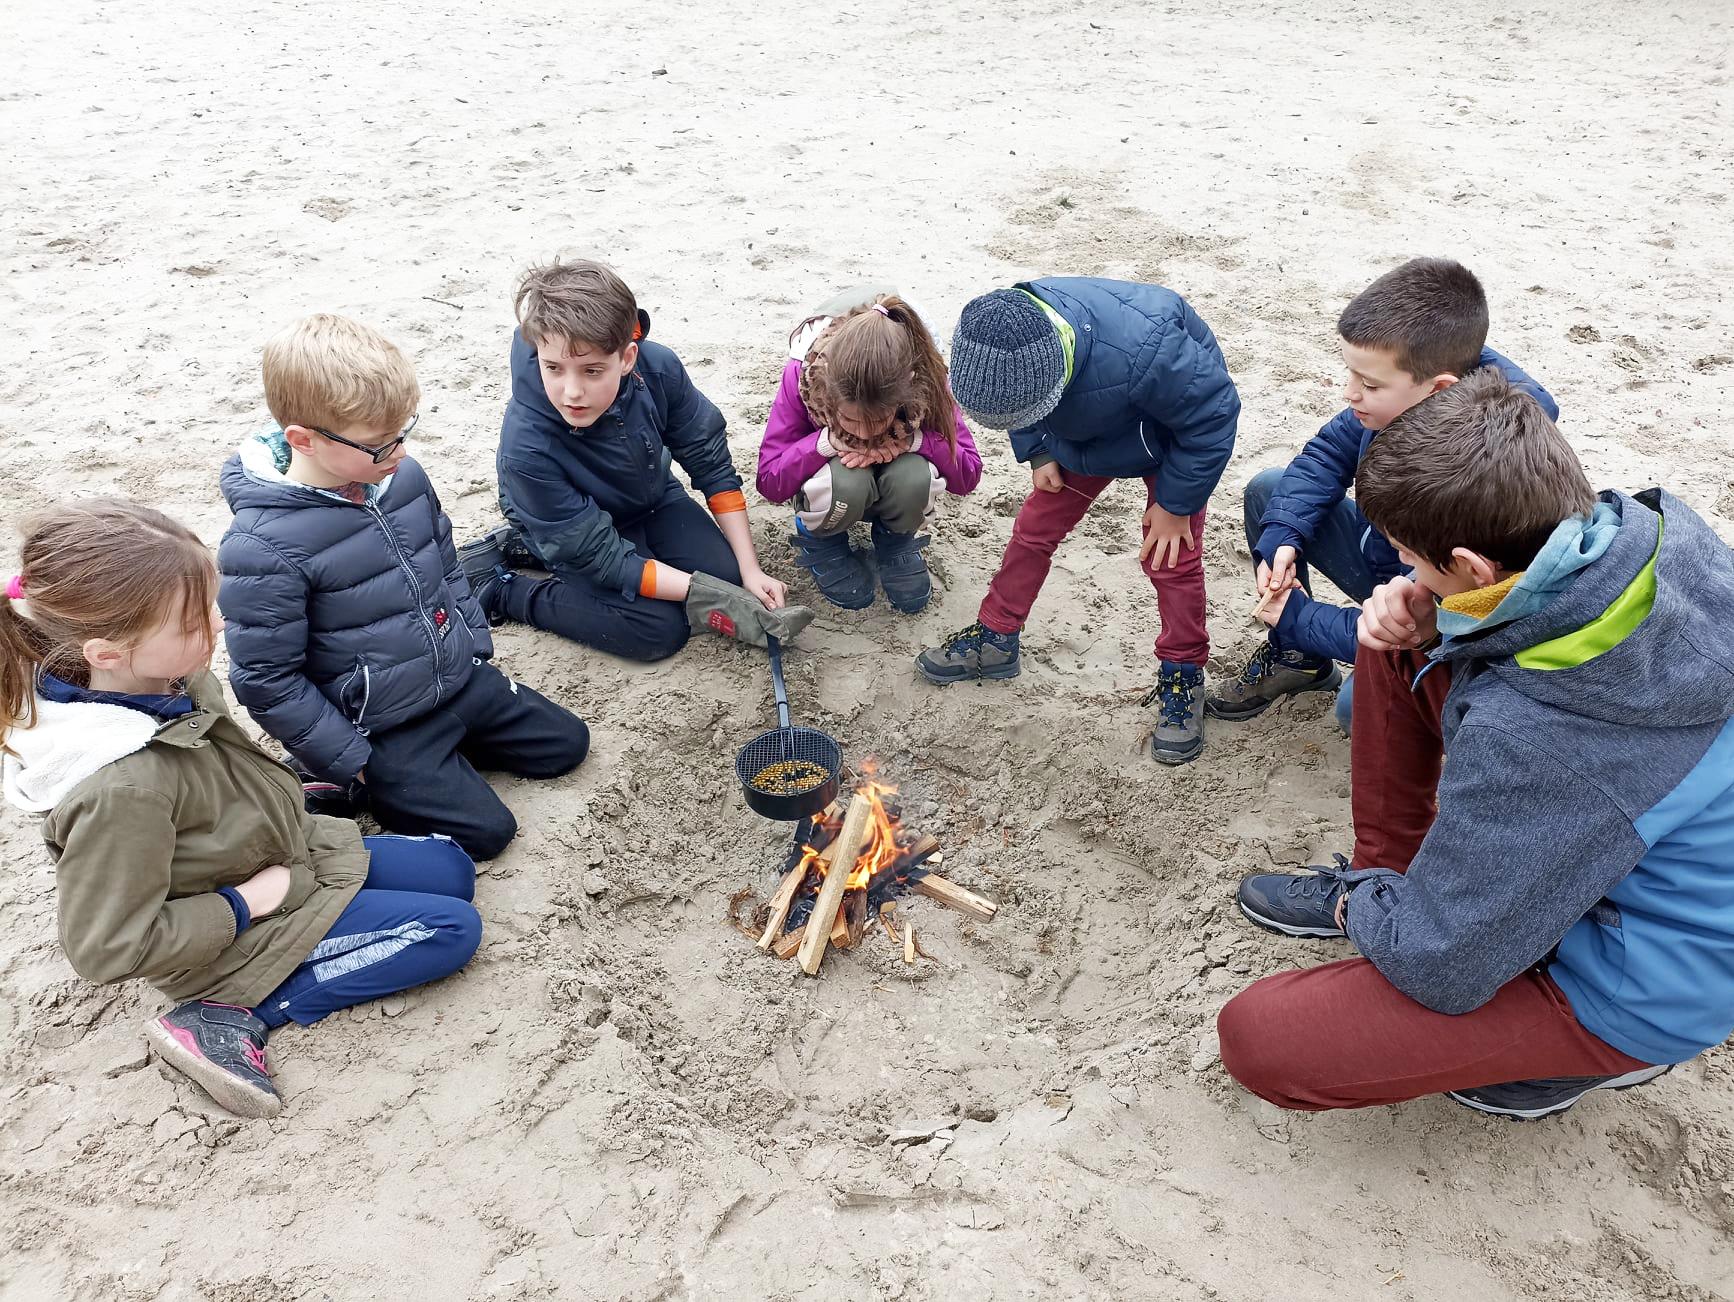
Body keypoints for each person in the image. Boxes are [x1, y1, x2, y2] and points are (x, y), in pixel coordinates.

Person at [1217, 370, 1734, 1118]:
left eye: (1411, 559)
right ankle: (1387, 877)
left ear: (1474, 568)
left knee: (1261, 1037)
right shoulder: (1652, 534)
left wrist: (1361, 911)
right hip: (1649, 837)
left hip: (1647, 981)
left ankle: (1586, 1059)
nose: (1405, 572)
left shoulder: (1530, 742)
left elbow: (1445, 968)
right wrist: (1435, 617)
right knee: (1394, 634)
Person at [1, 500, 484, 1119]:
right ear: (107, 652)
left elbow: (216, 777)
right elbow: (108, 947)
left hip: (275, 855)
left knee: (452, 868)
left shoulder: (167, 680)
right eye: (192, 622)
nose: (218, 623)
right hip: (233, 927)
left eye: (211, 602)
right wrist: (245, 903)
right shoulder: (120, 788)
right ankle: (226, 1013)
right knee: (448, 930)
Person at [218, 314, 589, 861]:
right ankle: (343, 782)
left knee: (566, 746)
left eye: (403, 433)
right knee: (488, 833)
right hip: (379, 725)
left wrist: (473, 644)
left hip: (455, 680)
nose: (400, 453)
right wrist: (352, 760)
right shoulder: (261, 546)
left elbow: (447, 564)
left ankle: (441, 763)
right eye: (379, 444)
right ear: (304, 440)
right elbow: (266, 679)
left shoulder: (401, 479)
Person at [1206, 258, 1557, 730]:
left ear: (1439, 389)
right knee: (1271, 493)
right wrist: (1284, 536)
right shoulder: (1412, 388)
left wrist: (1297, 616)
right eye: (1351, 374)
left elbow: (1426, 626)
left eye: (1369, 384)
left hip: (1442, 606)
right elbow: (1327, 455)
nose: (1350, 393)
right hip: (1391, 558)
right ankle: (1299, 662)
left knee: (1358, 707)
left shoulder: (1479, 472)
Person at [915, 278, 1239, 764]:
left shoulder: (1150, 349)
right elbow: (1013, 400)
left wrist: (1175, 506)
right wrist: (1038, 449)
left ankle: (1183, 673)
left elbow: (1214, 415)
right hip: (1078, 431)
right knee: (1034, 528)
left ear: (1051, 373)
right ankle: (996, 636)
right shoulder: (1007, 336)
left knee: (1171, 557)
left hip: (1172, 436)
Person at [462, 258, 812, 660]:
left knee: (727, 576)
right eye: (554, 368)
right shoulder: (525, 446)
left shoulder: (659, 369)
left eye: (592, 371)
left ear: (627, 358)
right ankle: (504, 588)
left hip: (652, 498)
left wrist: (750, 571)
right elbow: (602, 558)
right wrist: (704, 593)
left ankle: (534, 545)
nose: (571, 392)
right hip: (582, 529)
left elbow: (711, 464)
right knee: (657, 629)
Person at [755, 287, 981, 613]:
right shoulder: (805, 373)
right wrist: (825, 443)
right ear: (828, 391)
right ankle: (824, 541)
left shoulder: (929, 379)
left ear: (908, 389)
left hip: (898, 477)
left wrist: (914, 442)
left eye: (876, 421)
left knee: (914, 475)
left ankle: (895, 539)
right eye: (848, 419)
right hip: (838, 484)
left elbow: (969, 475)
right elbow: (769, 480)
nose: (862, 434)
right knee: (847, 480)